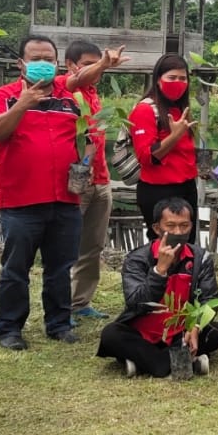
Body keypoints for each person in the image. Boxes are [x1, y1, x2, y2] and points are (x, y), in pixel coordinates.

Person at [0, 35, 95, 350]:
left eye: (49, 59)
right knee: (17, 268)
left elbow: (87, 136)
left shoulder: (71, 98)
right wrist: (22, 105)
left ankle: (58, 324)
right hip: (21, 201)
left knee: (60, 266)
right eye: (36, 58)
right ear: (21, 63)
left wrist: (85, 165)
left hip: (66, 197)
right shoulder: (2, 97)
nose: (43, 64)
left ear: (57, 63)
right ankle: (10, 328)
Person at [96, 197, 218, 377]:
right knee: (111, 335)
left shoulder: (200, 258)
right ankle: (173, 363)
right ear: (157, 228)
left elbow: (210, 300)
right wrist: (159, 271)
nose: (178, 232)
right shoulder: (137, 259)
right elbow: (135, 302)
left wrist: (195, 327)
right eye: (170, 226)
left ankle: (143, 363)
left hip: (181, 332)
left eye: (184, 226)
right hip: (143, 333)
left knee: (217, 332)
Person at [65, 40, 122, 322]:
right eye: (88, 64)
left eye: (97, 64)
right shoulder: (67, 89)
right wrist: (103, 64)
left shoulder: (93, 93)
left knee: (92, 245)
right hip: (76, 180)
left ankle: (80, 301)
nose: (95, 70)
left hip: (101, 179)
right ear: (70, 66)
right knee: (66, 245)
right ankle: (60, 306)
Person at [127, 53, 200, 237]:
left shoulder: (179, 109)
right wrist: (174, 136)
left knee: (187, 246)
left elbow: (183, 153)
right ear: (158, 80)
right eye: (172, 77)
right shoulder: (145, 110)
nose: (178, 82)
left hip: (186, 187)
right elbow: (146, 157)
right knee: (162, 247)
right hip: (159, 190)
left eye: (183, 78)